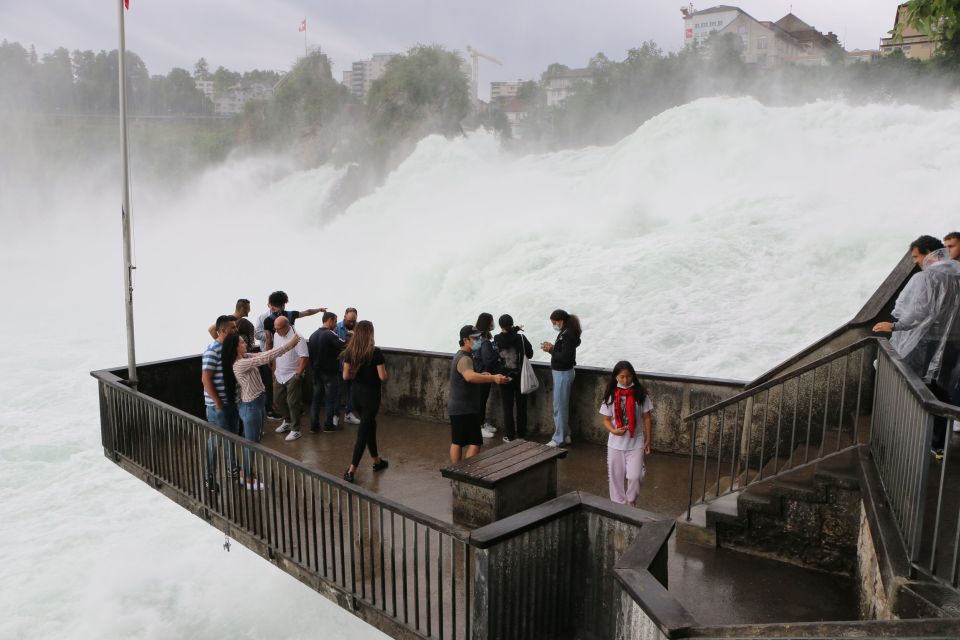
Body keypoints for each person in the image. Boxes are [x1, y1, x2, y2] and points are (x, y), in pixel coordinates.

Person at [874, 248, 960, 460]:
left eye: (917, 257)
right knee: (941, 388)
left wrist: (894, 326)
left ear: (930, 254)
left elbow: (919, 311)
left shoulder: (927, 277)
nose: (916, 262)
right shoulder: (957, 276)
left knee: (925, 388)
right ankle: (938, 442)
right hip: (953, 344)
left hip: (929, 343)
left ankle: (931, 441)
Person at [221, 331, 301, 490]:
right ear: (235, 347)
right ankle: (247, 477)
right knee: (251, 443)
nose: (245, 344)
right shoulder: (239, 364)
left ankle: (247, 473)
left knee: (255, 441)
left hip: (257, 403)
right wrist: (289, 346)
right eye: (242, 343)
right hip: (250, 406)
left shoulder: (245, 357)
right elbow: (265, 358)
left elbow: (265, 353)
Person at [448, 325, 510, 463]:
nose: (479, 340)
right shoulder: (465, 358)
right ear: (465, 340)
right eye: (475, 338)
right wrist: (493, 378)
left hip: (459, 407)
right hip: (464, 409)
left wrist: (481, 375)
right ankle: (465, 472)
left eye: (479, 337)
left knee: (457, 441)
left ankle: (457, 472)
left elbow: (467, 375)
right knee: (475, 443)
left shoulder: (462, 355)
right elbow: (469, 376)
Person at [600, 361, 653, 506]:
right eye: (622, 377)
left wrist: (648, 439)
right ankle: (618, 505)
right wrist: (613, 430)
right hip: (615, 444)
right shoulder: (611, 395)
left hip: (635, 442)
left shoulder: (640, 394)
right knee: (615, 479)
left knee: (635, 476)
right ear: (616, 377)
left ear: (633, 376)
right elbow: (606, 419)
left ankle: (631, 501)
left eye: (628, 377)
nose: (625, 380)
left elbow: (647, 417)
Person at [342, 320, 388, 483]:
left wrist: (356, 375)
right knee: (363, 431)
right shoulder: (375, 352)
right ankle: (351, 470)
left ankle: (376, 461)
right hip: (371, 397)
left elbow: (345, 376)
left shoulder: (350, 351)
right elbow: (382, 377)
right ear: (370, 333)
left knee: (369, 426)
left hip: (355, 396)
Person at [201, 315, 240, 492]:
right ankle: (209, 477)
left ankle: (233, 470)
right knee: (216, 441)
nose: (235, 330)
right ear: (223, 330)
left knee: (231, 438)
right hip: (218, 407)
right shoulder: (212, 350)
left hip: (230, 402)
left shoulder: (227, 348)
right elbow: (206, 379)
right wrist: (218, 403)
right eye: (232, 327)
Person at [541, 309, 582, 448]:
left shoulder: (567, 335)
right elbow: (564, 352)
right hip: (563, 373)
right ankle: (566, 434)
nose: (554, 325)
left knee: (559, 407)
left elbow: (565, 357)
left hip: (563, 374)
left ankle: (559, 439)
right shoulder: (567, 332)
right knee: (562, 406)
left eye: (554, 323)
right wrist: (553, 348)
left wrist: (551, 350)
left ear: (561, 321)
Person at [494, 314, 534, 442]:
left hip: (504, 378)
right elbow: (530, 354)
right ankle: (522, 435)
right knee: (521, 406)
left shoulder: (497, 338)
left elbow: (494, 356)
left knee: (507, 407)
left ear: (500, 326)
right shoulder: (521, 338)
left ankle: (509, 435)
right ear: (512, 324)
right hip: (520, 378)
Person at [272, 315, 309, 442]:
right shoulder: (276, 335)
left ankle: (296, 430)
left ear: (287, 326)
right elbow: (275, 353)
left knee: (293, 403)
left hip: (292, 375)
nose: (276, 331)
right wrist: (274, 371)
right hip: (279, 374)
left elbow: (304, 357)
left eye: (279, 328)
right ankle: (287, 421)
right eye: (275, 328)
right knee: (278, 399)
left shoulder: (298, 337)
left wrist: (298, 375)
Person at [308, 311, 345, 432]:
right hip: (330, 372)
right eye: (335, 321)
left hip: (316, 372)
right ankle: (328, 425)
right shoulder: (330, 334)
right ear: (330, 320)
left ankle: (314, 426)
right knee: (330, 399)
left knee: (316, 399)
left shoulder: (313, 335)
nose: (336, 324)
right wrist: (350, 336)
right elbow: (344, 345)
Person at [472, 312, 501, 438]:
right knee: (481, 401)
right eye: (491, 322)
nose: (493, 324)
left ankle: (482, 423)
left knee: (481, 400)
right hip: (482, 374)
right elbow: (488, 359)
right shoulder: (483, 341)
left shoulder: (477, 336)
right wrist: (497, 352)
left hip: (481, 373)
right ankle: (478, 427)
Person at [335, 308, 361, 425]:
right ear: (344, 316)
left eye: (353, 321)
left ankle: (349, 414)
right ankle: (335, 415)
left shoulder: (359, 328)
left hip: (355, 367)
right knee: (338, 392)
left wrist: (356, 336)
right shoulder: (336, 327)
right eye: (349, 320)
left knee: (352, 392)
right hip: (340, 367)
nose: (351, 323)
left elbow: (368, 343)